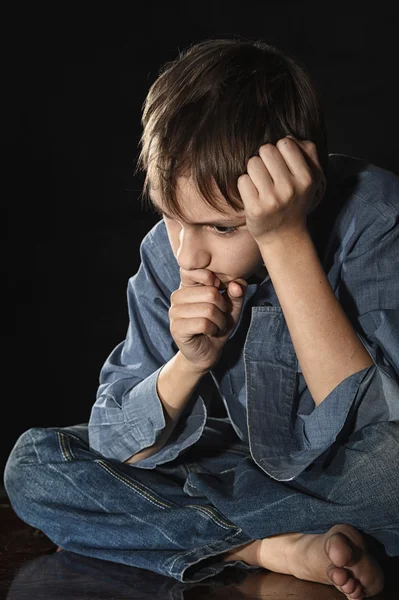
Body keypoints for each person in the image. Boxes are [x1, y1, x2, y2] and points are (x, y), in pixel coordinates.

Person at [4, 37, 399, 598]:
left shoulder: (375, 215)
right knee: (35, 466)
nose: (189, 255)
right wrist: (190, 364)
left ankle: (179, 532)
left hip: (352, 473)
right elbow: (119, 441)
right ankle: (263, 547)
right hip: (250, 466)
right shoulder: (168, 253)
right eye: (172, 216)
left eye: (222, 227)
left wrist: (284, 237)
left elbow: (373, 430)